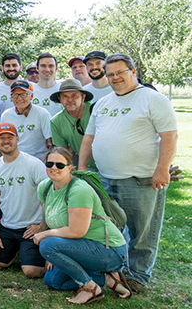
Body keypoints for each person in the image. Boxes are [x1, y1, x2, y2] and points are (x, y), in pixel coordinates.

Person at [78, 53, 177, 292]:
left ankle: (138, 275)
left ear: (133, 72)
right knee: (112, 229)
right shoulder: (102, 103)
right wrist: (82, 167)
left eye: (120, 72)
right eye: (110, 74)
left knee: (142, 231)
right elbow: (89, 138)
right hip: (106, 179)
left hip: (141, 180)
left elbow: (169, 135)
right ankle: (117, 269)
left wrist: (162, 169)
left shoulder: (153, 99)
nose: (115, 78)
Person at [35, 146, 131, 303]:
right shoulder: (44, 187)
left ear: (70, 168)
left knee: (46, 244)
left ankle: (90, 288)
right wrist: (54, 254)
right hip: (81, 247)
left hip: (109, 250)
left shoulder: (79, 190)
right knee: (53, 281)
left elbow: (76, 231)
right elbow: (51, 222)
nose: (54, 168)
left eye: (60, 165)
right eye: (49, 164)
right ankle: (107, 280)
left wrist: (48, 237)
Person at [0, 123, 47, 278]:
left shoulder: (33, 164)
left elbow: (48, 199)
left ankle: (45, 257)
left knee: (31, 271)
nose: (6, 141)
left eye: (10, 137)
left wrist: (42, 226)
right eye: (1, 138)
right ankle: (17, 251)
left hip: (31, 227)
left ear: (17, 139)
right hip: (7, 227)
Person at [50, 80, 96, 171]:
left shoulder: (96, 111)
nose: (70, 100)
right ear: (59, 99)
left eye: (74, 95)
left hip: (108, 166)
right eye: (65, 96)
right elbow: (63, 153)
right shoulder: (56, 121)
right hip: (86, 168)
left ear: (83, 97)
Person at [0, 80, 52, 159]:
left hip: (38, 161)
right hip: (14, 161)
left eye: (23, 94)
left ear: (31, 96)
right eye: (15, 95)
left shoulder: (42, 114)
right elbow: (3, 142)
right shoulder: (6, 115)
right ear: (11, 97)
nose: (19, 98)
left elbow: (51, 143)